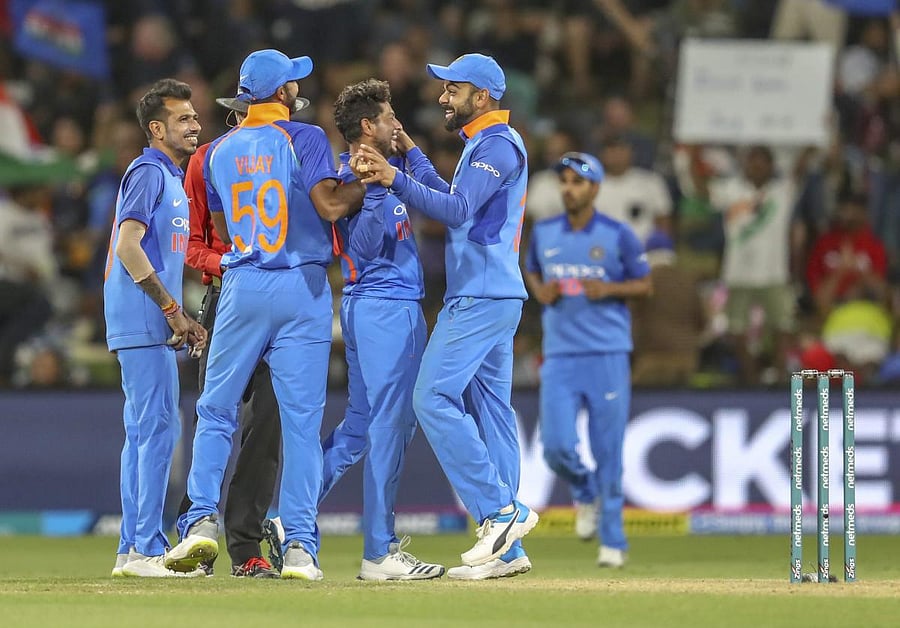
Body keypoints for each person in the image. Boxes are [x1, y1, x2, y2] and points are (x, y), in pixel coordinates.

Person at [165, 49, 364, 580]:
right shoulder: (306, 138)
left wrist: (225, 258)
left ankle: (201, 521)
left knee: (216, 409)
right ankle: (299, 546)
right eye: (294, 83)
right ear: (283, 94)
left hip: (243, 282)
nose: (298, 89)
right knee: (300, 426)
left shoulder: (214, 152)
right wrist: (367, 180)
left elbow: (202, 229)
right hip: (302, 286)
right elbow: (329, 204)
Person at [354, 53, 538, 579]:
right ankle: (506, 552)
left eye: (452, 89)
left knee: (431, 396)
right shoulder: (484, 144)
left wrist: (392, 176)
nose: (442, 97)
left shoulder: (497, 145)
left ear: (481, 96)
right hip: (491, 293)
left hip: (480, 296)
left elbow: (455, 211)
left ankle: (500, 514)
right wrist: (409, 154)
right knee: (494, 414)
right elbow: (452, 195)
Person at [319, 78, 444, 580]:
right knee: (392, 425)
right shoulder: (358, 177)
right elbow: (367, 247)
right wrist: (375, 189)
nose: (399, 124)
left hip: (370, 307)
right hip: (385, 308)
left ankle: (288, 517)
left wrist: (406, 157)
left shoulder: (380, 171)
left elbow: (441, 198)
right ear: (369, 126)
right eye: (392, 118)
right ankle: (379, 552)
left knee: (360, 426)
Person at [175, 94, 287, 579]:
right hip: (227, 300)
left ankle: (246, 548)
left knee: (267, 426)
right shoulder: (208, 159)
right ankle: (196, 531)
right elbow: (192, 244)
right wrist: (230, 265)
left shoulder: (290, 151)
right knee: (214, 415)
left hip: (280, 300)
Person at [523, 151, 651, 568]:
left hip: (608, 354)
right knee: (556, 447)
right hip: (560, 354)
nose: (568, 189)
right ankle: (583, 491)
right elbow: (531, 269)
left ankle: (612, 540)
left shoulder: (618, 234)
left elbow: (645, 285)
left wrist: (609, 290)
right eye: (563, 181)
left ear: (594, 188)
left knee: (608, 448)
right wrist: (540, 290)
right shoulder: (543, 232)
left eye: (577, 182)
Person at [103, 78, 208, 578]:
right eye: (184, 119)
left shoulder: (165, 176)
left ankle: (131, 547)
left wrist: (178, 312)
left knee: (145, 433)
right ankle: (146, 547)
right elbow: (128, 246)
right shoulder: (148, 171)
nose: (195, 125)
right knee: (156, 433)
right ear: (157, 128)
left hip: (146, 321)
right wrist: (172, 311)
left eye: (195, 117)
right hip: (145, 322)